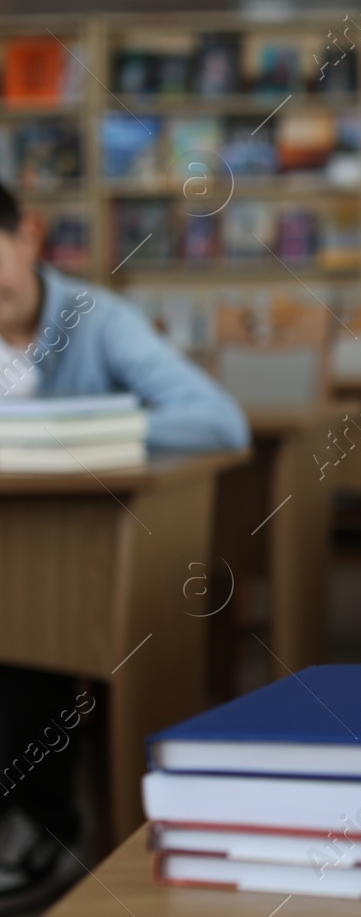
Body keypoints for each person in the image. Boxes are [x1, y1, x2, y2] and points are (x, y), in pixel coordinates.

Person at [0, 181, 249, 910]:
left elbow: (218, 421)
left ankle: (42, 826)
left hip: (77, 577)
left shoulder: (96, 320)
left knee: (28, 643)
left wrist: (81, 434)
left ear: (30, 238)